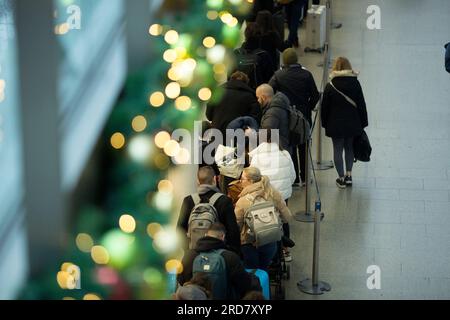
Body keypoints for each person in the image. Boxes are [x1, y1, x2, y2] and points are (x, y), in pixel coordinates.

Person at [269, 48, 320, 186]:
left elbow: (269, 91)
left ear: (284, 61)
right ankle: (305, 177)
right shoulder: (306, 75)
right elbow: (315, 95)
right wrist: (308, 107)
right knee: (303, 147)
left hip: (286, 116)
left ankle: (295, 178)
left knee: (290, 146)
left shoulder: (278, 75)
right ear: (296, 59)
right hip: (303, 116)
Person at [321, 57, 368, 189]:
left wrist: (325, 124)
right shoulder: (355, 83)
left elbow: (325, 108)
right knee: (349, 148)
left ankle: (340, 178)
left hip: (335, 125)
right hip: (353, 123)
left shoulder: (330, 86)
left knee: (337, 149)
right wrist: (363, 123)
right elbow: (361, 105)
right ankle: (349, 176)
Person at [248, 130, 296, 261]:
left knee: (266, 219)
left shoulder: (257, 156)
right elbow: (293, 177)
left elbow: (253, 178)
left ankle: (268, 248)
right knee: (283, 218)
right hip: (283, 195)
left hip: (265, 195)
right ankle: (286, 251)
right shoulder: (285, 154)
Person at [235, 167, 292, 271]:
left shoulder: (242, 201)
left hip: (250, 243)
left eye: (242, 179)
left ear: (250, 181)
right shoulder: (273, 193)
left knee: (252, 271)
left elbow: (237, 225)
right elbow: (287, 216)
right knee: (264, 268)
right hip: (270, 240)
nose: (240, 181)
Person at [178, 223, 255, 300]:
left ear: (205, 235)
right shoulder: (230, 257)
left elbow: (181, 280)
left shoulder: (189, 255)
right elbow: (244, 285)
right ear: (223, 237)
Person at [177, 166, 241, 253]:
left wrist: (188, 251)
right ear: (215, 179)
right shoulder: (224, 200)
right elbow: (233, 232)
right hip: (218, 253)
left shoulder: (188, 200)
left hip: (195, 253)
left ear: (198, 181)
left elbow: (180, 229)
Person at [206, 71, 260, 138]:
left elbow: (208, 114)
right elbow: (254, 119)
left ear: (231, 79)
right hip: (238, 134)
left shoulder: (218, 92)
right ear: (246, 83)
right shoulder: (250, 96)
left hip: (217, 132)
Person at [256, 84, 291, 151]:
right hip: (281, 148)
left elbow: (266, 133)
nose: (257, 100)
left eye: (258, 97)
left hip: (278, 151)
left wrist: (251, 134)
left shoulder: (273, 111)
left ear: (263, 97)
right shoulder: (277, 106)